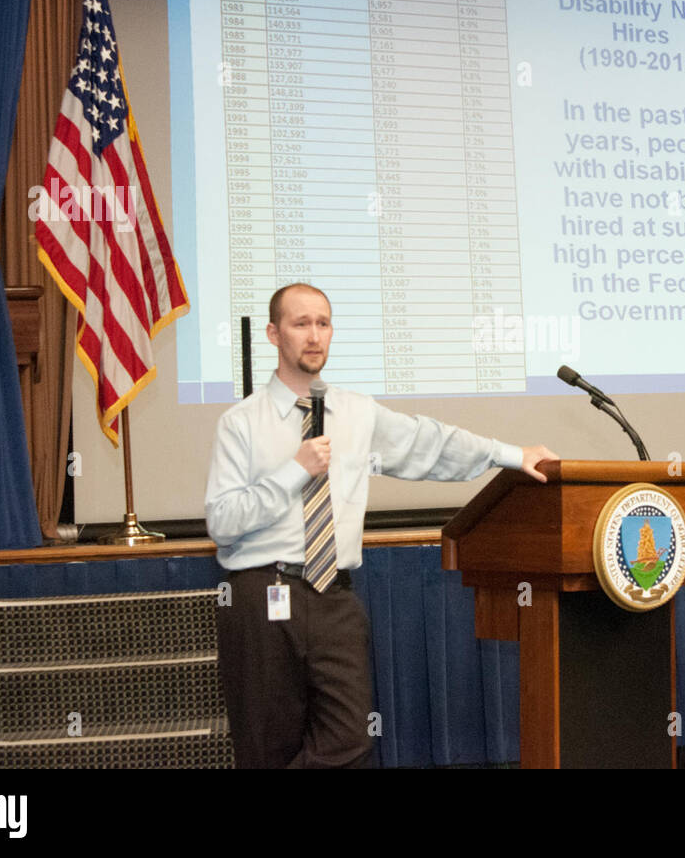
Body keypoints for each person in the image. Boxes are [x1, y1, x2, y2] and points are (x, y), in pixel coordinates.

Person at [205, 282, 558, 768]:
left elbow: (431, 444)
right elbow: (222, 522)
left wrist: (513, 456)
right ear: (273, 333)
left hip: (334, 595)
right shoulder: (240, 422)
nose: (314, 336)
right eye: (300, 323)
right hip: (264, 595)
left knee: (352, 738)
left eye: (323, 324)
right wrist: (294, 470)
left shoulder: (355, 412)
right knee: (267, 746)